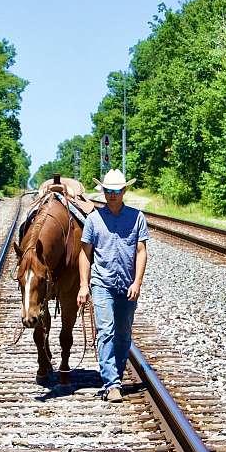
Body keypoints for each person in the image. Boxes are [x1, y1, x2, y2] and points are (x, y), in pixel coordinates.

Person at [77, 169, 149, 403]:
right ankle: (112, 383)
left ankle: (115, 375)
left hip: (128, 285)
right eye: (108, 191)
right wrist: (83, 285)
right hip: (102, 283)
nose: (112, 195)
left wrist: (137, 281)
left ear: (124, 191)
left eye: (116, 191)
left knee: (123, 334)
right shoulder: (93, 220)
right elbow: (85, 254)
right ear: (104, 192)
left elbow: (141, 251)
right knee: (106, 331)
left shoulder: (137, 217)